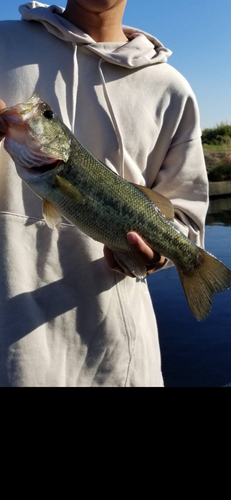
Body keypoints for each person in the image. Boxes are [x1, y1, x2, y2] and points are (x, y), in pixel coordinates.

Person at [0, 1, 208, 387]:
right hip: (10, 357)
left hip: (121, 364)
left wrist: (158, 256)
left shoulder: (172, 89)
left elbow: (185, 220)